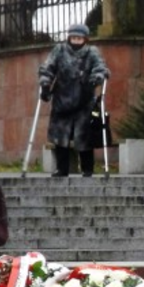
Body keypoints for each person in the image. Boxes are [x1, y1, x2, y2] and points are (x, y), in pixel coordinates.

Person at [38, 23, 108, 177]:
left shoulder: (91, 52)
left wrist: (96, 77)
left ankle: (87, 169)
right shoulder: (59, 50)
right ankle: (62, 169)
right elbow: (48, 67)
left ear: (85, 39)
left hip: (84, 100)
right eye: (73, 37)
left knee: (84, 136)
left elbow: (100, 67)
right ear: (69, 38)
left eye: (79, 38)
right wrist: (45, 83)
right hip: (62, 99)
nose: (76, 41)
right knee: (60, 136)